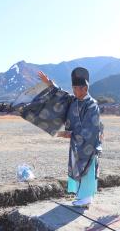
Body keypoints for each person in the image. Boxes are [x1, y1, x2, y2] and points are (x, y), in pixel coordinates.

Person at [36, 67, 102, 208]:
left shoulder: (92, 104)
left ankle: (86, 197)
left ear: (85, 88)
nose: (73, 91)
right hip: (76, 143)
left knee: (87, 169)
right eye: (72, 88)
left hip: (88, 145)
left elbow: (91, 128)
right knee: (77, 167)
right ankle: (81, 196)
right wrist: (49, 83)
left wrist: (70, 134)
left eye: (76, 88)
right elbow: (61, 94)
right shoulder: (74, 100)